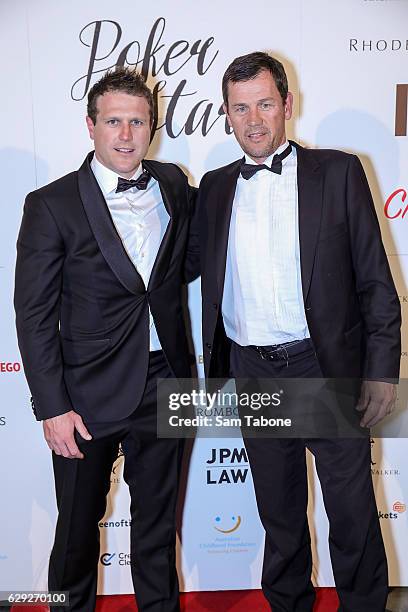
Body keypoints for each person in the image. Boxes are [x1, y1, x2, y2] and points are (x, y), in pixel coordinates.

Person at [189, 52, 401, 611]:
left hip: (324, 367)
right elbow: (173, 268)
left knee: (353, 516)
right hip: (254, 372)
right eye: (240, 108)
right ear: (227, 114)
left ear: (287, 104)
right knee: (279, 518)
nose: (254, 120)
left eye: (264, 104)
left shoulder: (338, 171)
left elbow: (376, 280)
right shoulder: (211, 189)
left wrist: (382, 370)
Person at [14, 67, 195, 612]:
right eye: (113, 121)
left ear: (152, 127)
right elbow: (35, 313)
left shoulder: (173, 184)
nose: (125, 134)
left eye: (137, 122)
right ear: (90, 126)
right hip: (85, 395)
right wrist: (52, 405)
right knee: (74, 533)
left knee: (159, 529)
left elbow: (176, 270)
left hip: (167, 381)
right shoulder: (51, 203)